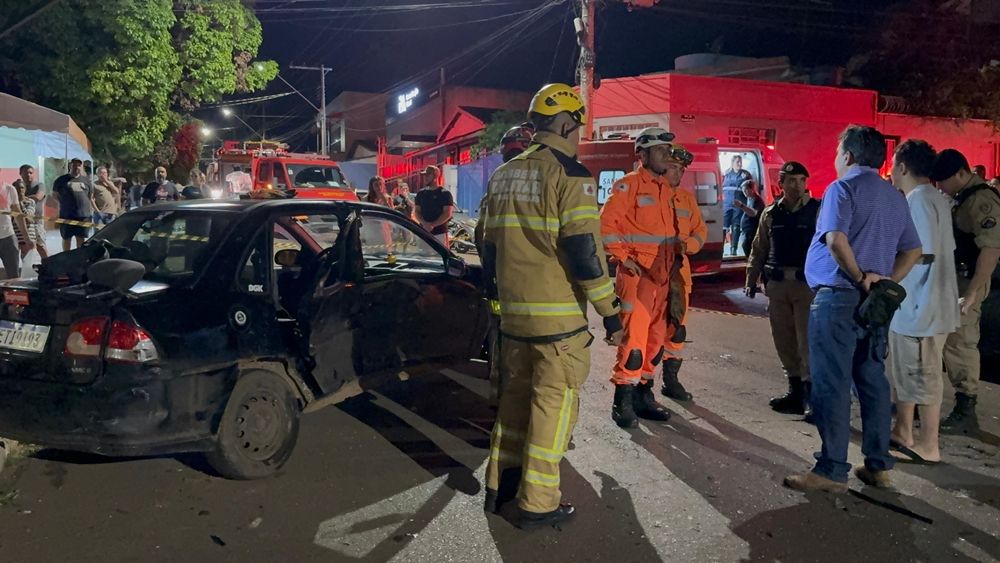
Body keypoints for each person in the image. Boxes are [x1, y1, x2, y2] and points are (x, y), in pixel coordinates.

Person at [480, 83, 622, 530]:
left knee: (513, 406)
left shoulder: (504, 174)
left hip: (513, 321)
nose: (577, 133)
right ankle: (538, 504)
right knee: (552, 411)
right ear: (565, 123)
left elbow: (487, 250)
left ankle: (500, 486)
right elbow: (584, 252)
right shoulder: (570, 173)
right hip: (557, 325)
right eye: (576, 126)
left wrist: (498, 306)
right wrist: (611, 313)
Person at [784, 125, 921, 493]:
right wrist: (885, 282)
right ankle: (877, 466)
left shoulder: (841, 189)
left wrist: (861, 276)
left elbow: (835, 238)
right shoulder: (894, 197)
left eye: (837, 152)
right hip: (875, 304)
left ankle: (831, 470)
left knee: (831, 383)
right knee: (872, 380)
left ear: (848, 156)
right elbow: (913, 250)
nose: (835, 158)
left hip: (839, 295)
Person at [600, 127, 687, 428]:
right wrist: (624, 258)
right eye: (661, 150)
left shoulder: (665, 189)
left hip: (663, 276)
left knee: (655, 342)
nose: (667, 155)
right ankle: (622, 401)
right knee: (634, 343)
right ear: (643, 154)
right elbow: (606, 225)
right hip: (638, 277)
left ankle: (644, 395)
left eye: (667, 150)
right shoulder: (629, 185)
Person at [887, 140, 960, 464]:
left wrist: (887, 274)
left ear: (902, 167)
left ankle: (928, 445)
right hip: (927, 306)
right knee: (909, 373)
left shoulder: (918, 200)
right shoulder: (936, 199)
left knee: (923, 375)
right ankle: (903, 431)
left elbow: (922, 252)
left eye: (892, 164)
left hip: (920, 307)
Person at [929, 149, 1000, 434]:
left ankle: (966, 408)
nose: (940, 187)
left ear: (960, 173)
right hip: (954, 278)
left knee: (961, 340)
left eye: (943, 181)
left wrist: (972, 292)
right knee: (951, 340)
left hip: (969, 279)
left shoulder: (981, 200)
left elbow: (991, 249)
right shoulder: (961, 197)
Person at [745, 161, 818, 418]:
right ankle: (795, 391)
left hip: (806, 286)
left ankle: (811, 397)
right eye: (791, 181)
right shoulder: (771, 213)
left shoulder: (817, 211)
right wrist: (751, 278)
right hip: (777, 286)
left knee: (807, 342)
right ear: (781, 184)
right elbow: (759, 247)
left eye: (801, 180)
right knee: (784, 340)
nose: (797, 185)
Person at [657, 144, 708, 402]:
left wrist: (688, 246)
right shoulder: (651, 193)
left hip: (680, 273)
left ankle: (670, 380)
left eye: (681, 169)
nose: (677, 173)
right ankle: (640, 384)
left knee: (677, 329)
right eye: (673, 167)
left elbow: (700, 231)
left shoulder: (686, 199)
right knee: (648, 331)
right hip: (652, 272)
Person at [52, 158, 94, 251]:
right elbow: (55, 195)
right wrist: (63, 204)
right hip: (67, 215)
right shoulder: (61, 180)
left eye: (78, 165)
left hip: (83, 216)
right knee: (66, 239)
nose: (76, 167)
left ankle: (79, 259)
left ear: (81, 167)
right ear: (70, 166)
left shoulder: (86, 181)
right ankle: (66, 259)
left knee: (81, 239)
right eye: (74, 165)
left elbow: (90, 196)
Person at [13, 164, 48, 260]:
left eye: (30, 173)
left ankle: (47, 265)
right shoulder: (18, 186)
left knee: (40, 246)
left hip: (36, 223)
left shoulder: (39, 185)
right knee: (23, 247)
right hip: (21, 223)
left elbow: (38, 197)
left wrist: (22, 198)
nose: (28, 175)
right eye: (25, 173)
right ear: (20, 174)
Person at [414, 165, 454, 246]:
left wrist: (433, 225)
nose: (425, 177)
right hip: (423, 232)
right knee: (422, 256)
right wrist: (424, 223)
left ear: (435, 176)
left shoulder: (445, 193)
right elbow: (417, 211)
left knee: (440, 256)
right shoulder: (421, 193)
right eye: (424, 175)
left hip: (440, 233)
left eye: (428, 175)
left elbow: (447, 213)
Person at [0, 181, 32, 278]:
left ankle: (12, 293)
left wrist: (26, 237)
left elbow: (18, 215)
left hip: (8, 237)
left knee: (13, 275)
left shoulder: (9, 189)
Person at [722, 155, 752, 256]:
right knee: (724, 226)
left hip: (739, 204)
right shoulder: (726, 173)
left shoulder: (745, 174)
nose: (739, 164)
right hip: (727, 204)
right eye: (737, 162)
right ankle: (720, 249)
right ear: (732, 162)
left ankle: (733, 249)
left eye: (740, 162)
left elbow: (751, 188)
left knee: (736, 226)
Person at [734, 179, 765, 257]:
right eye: (743, 190)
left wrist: (741, 206)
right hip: (747, 231)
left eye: (745, 190)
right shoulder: (749, 199)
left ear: (751, 189)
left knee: (748, 248)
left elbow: (754, 213)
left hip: (752, 231)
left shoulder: (758, 201)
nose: (744, 192)